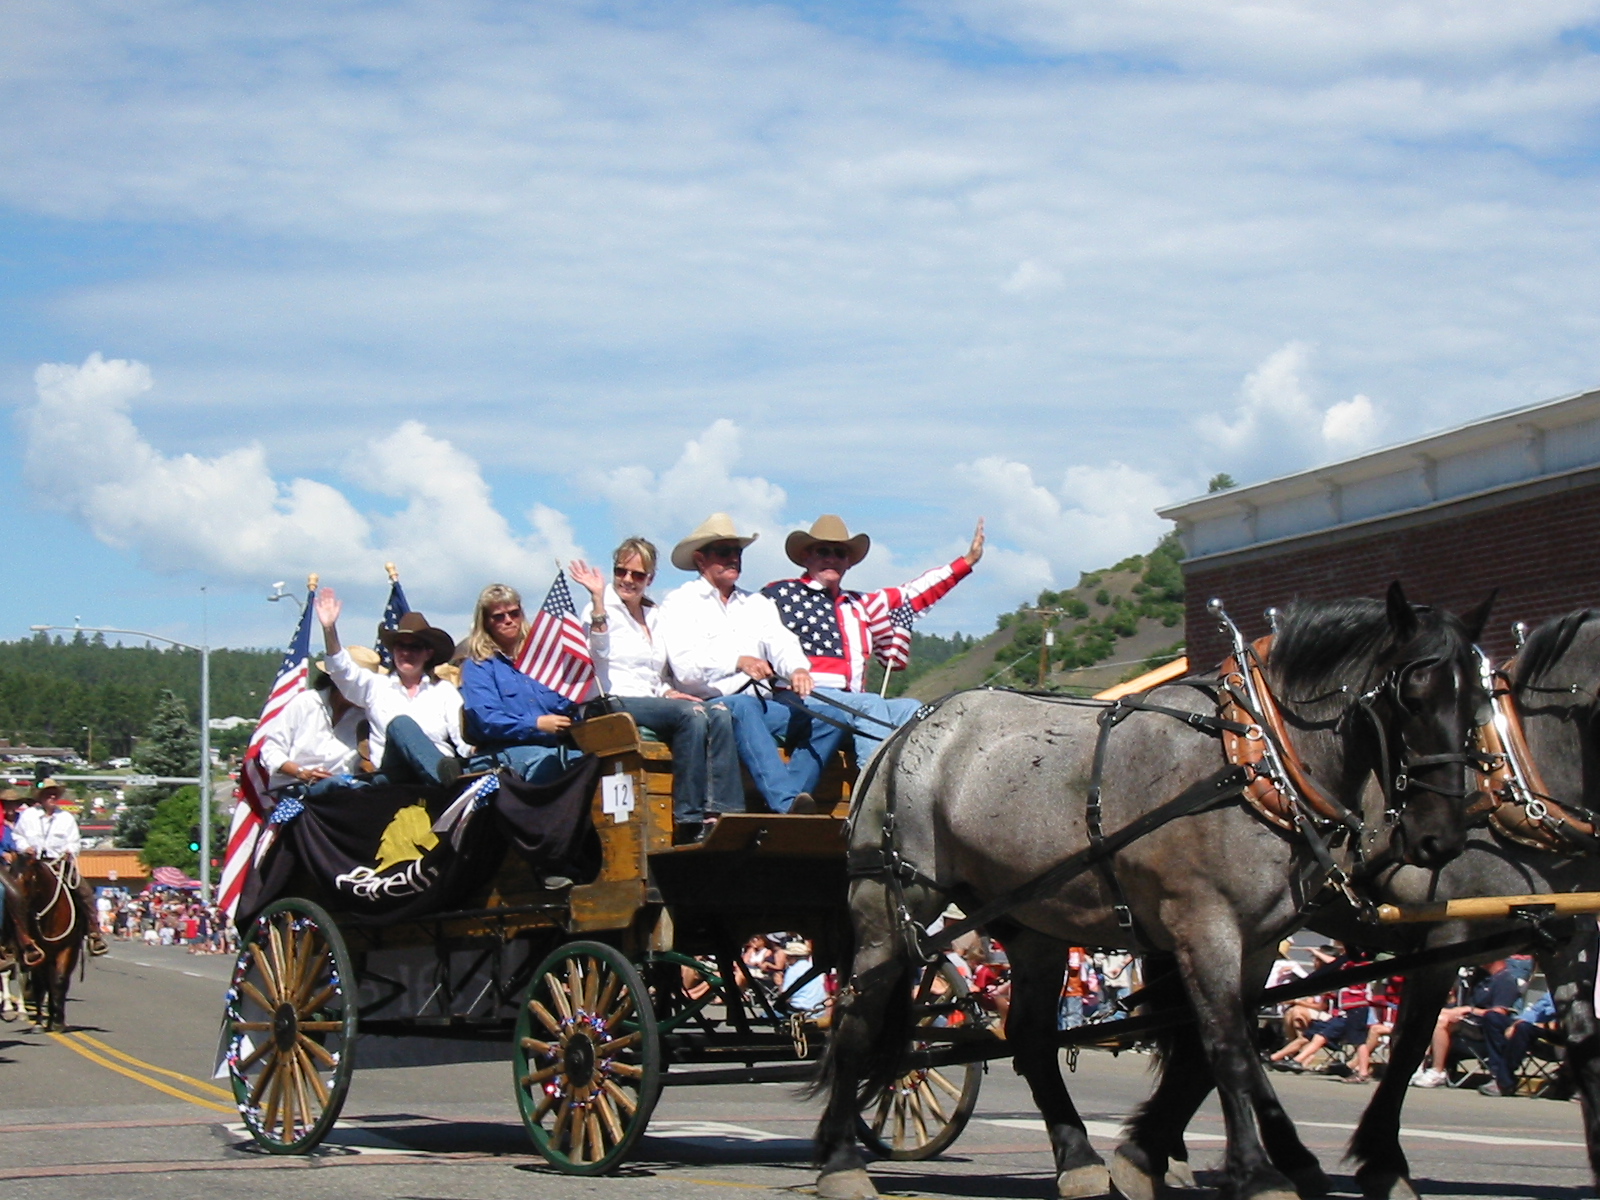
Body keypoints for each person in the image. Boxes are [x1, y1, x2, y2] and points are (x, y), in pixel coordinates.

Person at [656, 513, 842, 814]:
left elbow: (781, 642)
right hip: (711, 705)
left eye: (737, 553)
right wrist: (737, 661)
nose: (733, 559)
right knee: (743, 707)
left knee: (830, 716)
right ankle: (785, 803)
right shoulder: (680, 603)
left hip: (761, 704)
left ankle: (792, 797)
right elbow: (685, 668)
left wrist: (797, 668)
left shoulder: (756, 604)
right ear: (701, 560)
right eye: (724, 552)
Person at [762, 515, 984, 764]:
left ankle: (918, 788)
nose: (831, 559)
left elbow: (915, 593)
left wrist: (966, 562)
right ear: (806, 556)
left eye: (840, 553)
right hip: (802, 699)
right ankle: (872, 792)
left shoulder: (862, 605)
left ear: (848, 563)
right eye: (823, 551)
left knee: (912, 709)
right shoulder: (781, 594)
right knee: (870, 704)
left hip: (852, 701)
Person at [570, 540, 745, 842]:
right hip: (609, 700)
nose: (627, 580)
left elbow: (656, 673)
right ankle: (689, 818)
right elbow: (597, 651)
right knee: (691, 715)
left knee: (717, 711)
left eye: (637, 575)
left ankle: (723, 811)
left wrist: (668, 692)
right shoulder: (599, 609)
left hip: (650, 699)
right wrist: (597, 599)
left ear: (650, 578)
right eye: (621, 571)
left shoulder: (654, 614)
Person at [315, 589, 471, 786]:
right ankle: (445, 782)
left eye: (414, 647)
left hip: (435, 767)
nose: (406, 653)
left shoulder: (444, 691)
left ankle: (442, 777)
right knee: (401, 724)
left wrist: (475, 753)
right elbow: (342, 672)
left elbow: (462, 734)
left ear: (428, 653)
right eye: (400, 647)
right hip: (393, 774)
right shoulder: (376, 686)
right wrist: (329, 630)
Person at [458, 583, 578, 784]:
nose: (508, 620)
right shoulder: (478, 666)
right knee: (547, 762)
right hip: (502, 750)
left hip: (556, 746)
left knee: (594, 762)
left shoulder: (540, 660)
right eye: (499, 616)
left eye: (514, 613)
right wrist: (536, 724)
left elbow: (565, 703)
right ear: (486, 622)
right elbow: (487, 720)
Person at [13, 780, 108, 956]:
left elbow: (74, 841)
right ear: (40, 797)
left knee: (84, 891)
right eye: (48, 793)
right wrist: (25, 847)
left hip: (58, 864)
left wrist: (69, 851)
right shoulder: (28, 816)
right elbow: (18, 836)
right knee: (16, 893)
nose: (52, 797)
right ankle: (13, 938)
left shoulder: (66, 818)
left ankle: (94, 932)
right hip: (32, 863)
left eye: (55, 793)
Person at [258, 658, 368, 795]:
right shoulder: (305, 703)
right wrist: (302, 772)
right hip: (296, 788)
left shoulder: (365, 717)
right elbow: (271, 751)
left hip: (342, 794)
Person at [1412, 958, 1522, 1090]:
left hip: (1482, 1029)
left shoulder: (1505, 980)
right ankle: (1418, 1066)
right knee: (1431, 1015)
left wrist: (1470, 1010)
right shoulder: (1480, 978)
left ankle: (1438, 1071)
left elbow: (1499, 1014)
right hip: (1465, 1022)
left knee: (1441, 1021)